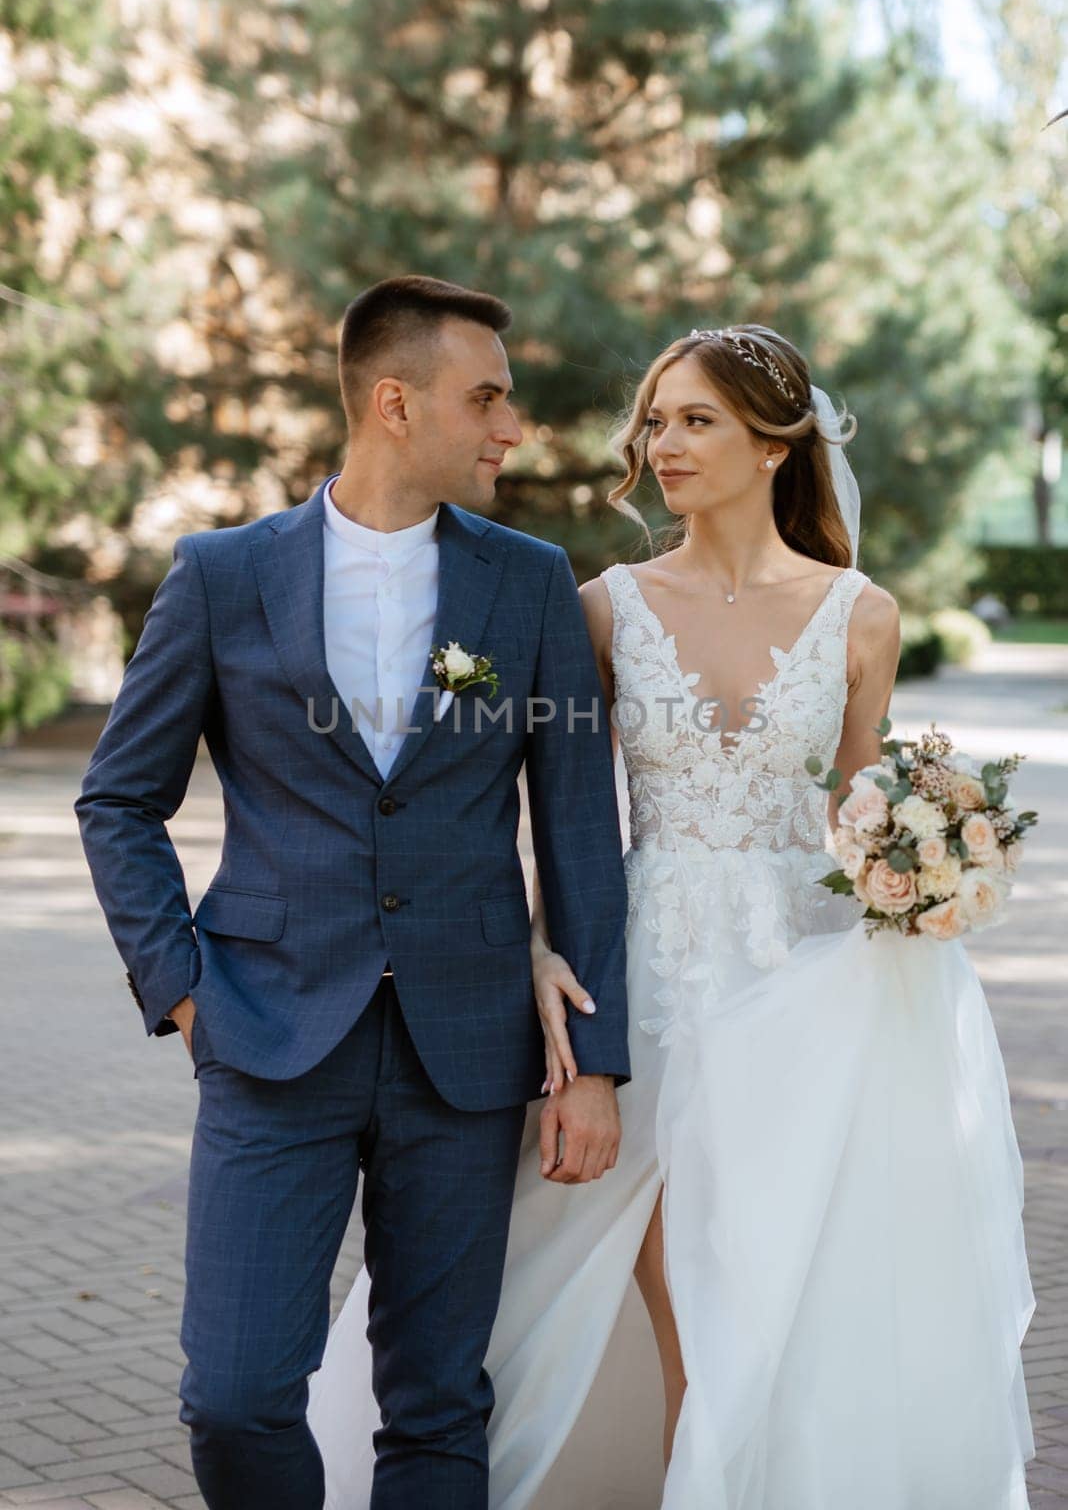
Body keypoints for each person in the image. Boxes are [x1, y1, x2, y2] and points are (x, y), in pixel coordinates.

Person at [310, 325, 1035, 1510]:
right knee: (679, 1294)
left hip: (811, 982)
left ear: (774, 440)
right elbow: (525, 793)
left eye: (695, 419)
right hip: (647, 976)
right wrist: (539, 943)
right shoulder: (602, 606)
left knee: (774, 1289)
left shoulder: (863, 614)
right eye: (655, 421)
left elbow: (859, 806)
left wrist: (933, 851)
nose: (663, 444)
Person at [74, 274, 631, 1510]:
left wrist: (594, 1062)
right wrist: (182, 992)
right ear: (394, 401)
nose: (512, 426)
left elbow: (580, 829)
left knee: (436, 1405)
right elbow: (118, 799)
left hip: (469, 1047)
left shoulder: (529, 580)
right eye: (486, 396)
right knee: (233, 1396)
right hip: (268, 1033)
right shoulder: (222, 575)